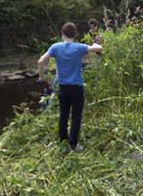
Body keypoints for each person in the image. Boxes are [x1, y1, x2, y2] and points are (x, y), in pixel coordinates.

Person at [38, 22, 102, 152]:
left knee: (64, 115)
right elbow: (98, 49)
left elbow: (41, 61)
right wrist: (96, 44)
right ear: (75, 34)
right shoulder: (79, 47)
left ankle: (63, 143)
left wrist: (42, 78)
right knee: (76, 116)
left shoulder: (55, 47)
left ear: (62, 34)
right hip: (77, 86)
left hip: (63, 86)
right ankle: (74, 144)